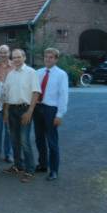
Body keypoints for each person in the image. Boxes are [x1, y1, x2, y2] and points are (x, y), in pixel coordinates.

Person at [3, 49, 41, 183]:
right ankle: (18, 166)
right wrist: (6, 112)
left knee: (24, 140)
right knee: (14, 140)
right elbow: (7, 95)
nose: (16, 60)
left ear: (24, 57)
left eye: (19, 57)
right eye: (14, 58)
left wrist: (30, 112)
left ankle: (29, 169)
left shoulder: (31, 72)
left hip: (25, 110)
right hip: (12, 109)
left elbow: (36, 93)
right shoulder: (10, 74)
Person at [33, 48, 68, 181]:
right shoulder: (38, 72)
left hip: (51, 110)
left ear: (56, 59)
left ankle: (54, 170)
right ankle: (42, 164)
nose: (48, 59)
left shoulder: (61, 74)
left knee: (52, 141)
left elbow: (63, 96)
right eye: (46, 57)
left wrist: (60, 115)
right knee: (39, 138)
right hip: (38, 108)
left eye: (51, 57)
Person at [0, 44, 14, 163]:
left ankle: (8, 154)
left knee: (8, 131)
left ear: (9, 53)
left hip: (10, 103)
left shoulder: (14, 66)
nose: (3, 54)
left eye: (5, 52)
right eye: (1, 52)